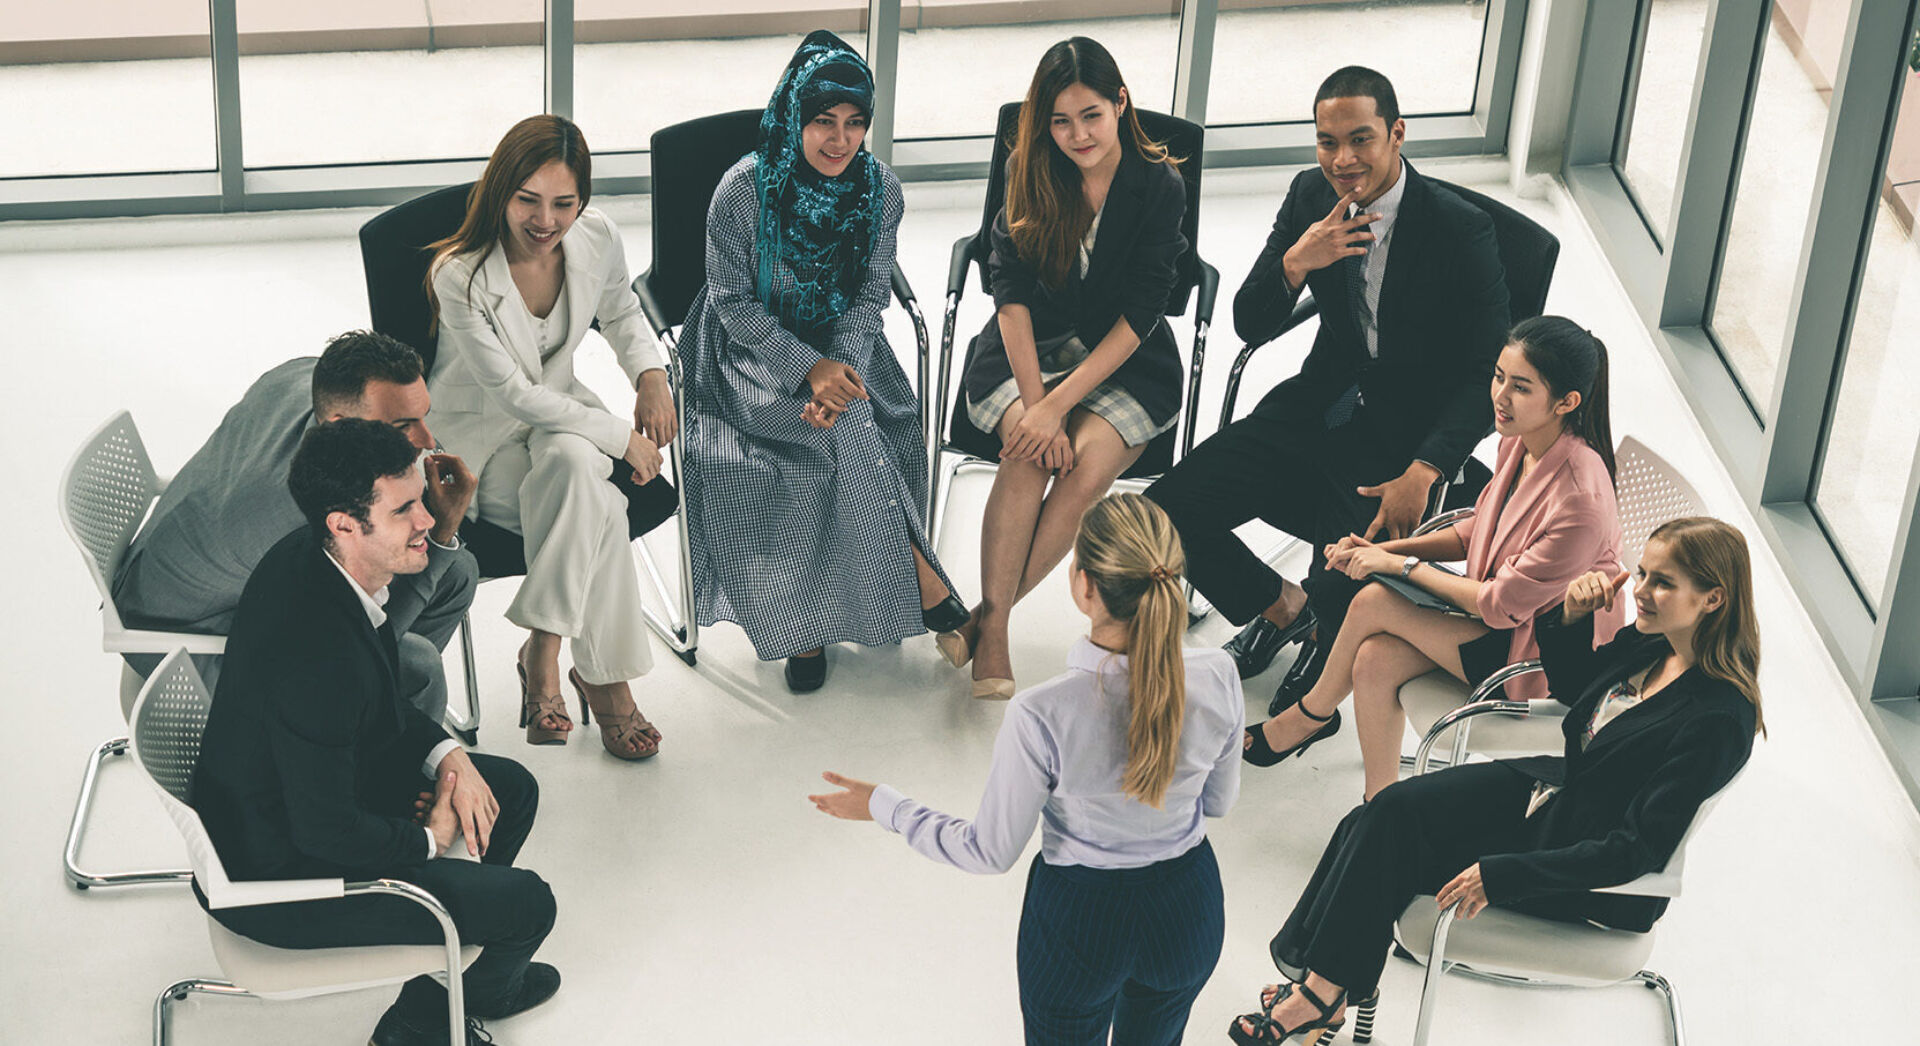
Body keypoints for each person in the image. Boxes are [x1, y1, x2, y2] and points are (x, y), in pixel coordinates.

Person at [1227, 517, 1763, 1044]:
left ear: (1713, 598)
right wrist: (1570, 618)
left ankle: (1321, 995)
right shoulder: (1658, 643)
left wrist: (1503, 876)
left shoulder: (1719, 718)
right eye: (1642, 573)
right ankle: (1328, 993)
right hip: (1556, 798)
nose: (1640, 591)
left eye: (1662, 582)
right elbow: (1579, 692)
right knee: (1380, 812)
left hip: (1585, 866)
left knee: (1387, 839)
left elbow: (1637, 850)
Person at [1145, 65, 1510, 717]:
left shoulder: (1460, 230)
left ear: (1397, 135)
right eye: (1327, 142)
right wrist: (1296, 262)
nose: (1342, 160)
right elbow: (1251, 321)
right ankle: (1285, 608)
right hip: (1318, 408)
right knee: (1163, 513)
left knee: (1343, 572)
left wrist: (1428, 467)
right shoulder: (1311, 197)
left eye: (1361, 139)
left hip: (1401, 441)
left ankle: (1323, 631)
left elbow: (1489, 370)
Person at [811, 494, 1241, 1046]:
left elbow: (988, 852)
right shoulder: (1220, 673)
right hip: (1190, 909)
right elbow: (1218, 803)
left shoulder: (1043, 712)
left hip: (1080, 926)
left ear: (1084, 586)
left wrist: (886, 806)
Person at [191, 419, 557, 1046]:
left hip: (311, 787)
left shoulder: (312, 559)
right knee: (529, 905)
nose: (427, 519)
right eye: (404, 509)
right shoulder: (318, 661)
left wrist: (451, 760)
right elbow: (327, 832)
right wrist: (426, 838)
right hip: (285, 878)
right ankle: (423, 1021)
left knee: (510, 789)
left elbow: (377, 705)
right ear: (344, 523)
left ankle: (458, 981)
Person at [677, 30, 965, 693]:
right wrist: (808, 370)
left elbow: (868, 297)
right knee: (838, 437)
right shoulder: (742, 191)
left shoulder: (881, 190)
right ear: (794, 117)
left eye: (855, 124)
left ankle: (824, 622)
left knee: (854, 426)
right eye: (824, 122)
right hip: (747, 357)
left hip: (845, 348)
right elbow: (731, 303)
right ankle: (909, 595)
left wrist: (838, 371)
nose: (840, 140)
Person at [1244, 317, 1624, 800]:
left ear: (1567, 402)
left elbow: (1499, 604)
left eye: (1521, 387)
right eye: (1499, 376)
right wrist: (1385, 548)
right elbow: (1476, 530)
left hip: (1539, 658)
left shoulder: (1580, 500)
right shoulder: (1521, 440)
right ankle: (1379, 807)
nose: (1500, 397)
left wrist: (1397, 566)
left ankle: (1308, 716)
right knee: (1373, 660)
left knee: (1374, 601)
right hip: (1499, 621)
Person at [940, 37, 1190, 700]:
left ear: (1120, 104)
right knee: (1027, 453)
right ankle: (994, 635)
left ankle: (986, 618)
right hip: (1029, 349)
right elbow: (1009, 292)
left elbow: (1142, 314)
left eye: (1091, 116)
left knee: (1081, 469)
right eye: (1059, 120)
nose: (1076, 135)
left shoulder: (1159, 183)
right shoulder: (1030, 166)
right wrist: (1036, 403)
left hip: (1124, 355)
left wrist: (1059, 407)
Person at [429, 113, 671, 758]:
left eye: (564, 203)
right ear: (500, 192)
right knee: (599, 505)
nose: (546, 220)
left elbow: (620, 310)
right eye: (528, 200)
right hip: (481, 443)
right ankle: (605, 684)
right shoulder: (460, 276)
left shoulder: (595, 238)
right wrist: (623, 437)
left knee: (571, 467)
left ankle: (543, 646)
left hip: (561, 419)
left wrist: (650, 374)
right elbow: (514, 395)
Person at [113, 330, 478, 723]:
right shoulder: (305, 516)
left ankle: (379, 719)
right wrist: (441, 531)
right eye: (403, 425)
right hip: (185, 641)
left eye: (424, 416)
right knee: (417, 666)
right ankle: (385, 764)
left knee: (456, 572)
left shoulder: (308, 378)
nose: (426, 440)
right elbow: (362, 645)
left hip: (185, 572)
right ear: (339, 424)